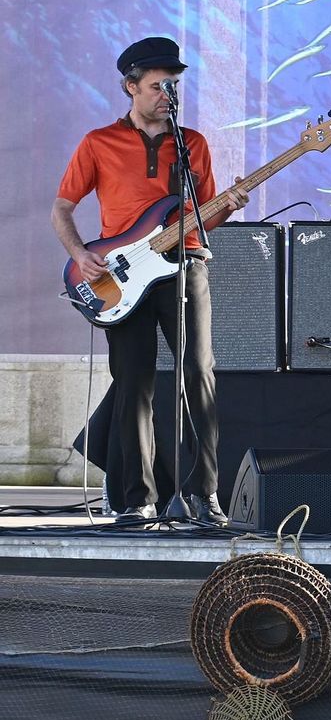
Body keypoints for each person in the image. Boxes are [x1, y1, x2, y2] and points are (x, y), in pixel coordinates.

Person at [52, 36, 248, 524]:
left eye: (173, 86)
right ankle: (137, 499)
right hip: (122, 277)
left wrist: (228, 205)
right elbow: (62, 207)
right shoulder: (99, 142)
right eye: (158, 85)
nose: (167, 94)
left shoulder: (192, 143)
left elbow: (204, 218)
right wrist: (81, 255)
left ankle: (205, 494)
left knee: (199, 375)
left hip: (186, 265)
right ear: (131, 87)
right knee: (133, 384)